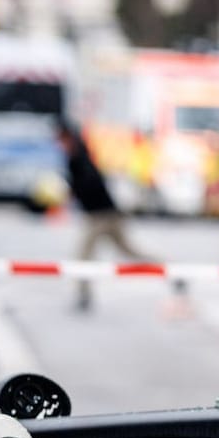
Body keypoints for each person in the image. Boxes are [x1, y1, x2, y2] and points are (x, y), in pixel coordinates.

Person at [57, 120, 148, 310]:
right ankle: (169, 269)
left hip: (100, 215)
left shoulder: (78, 157)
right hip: (106, 213)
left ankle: (84, 294)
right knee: (129, 250)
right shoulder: (79, 154)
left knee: (84, 256)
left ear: (66, 138)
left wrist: (72, 190)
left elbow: (89, 183)